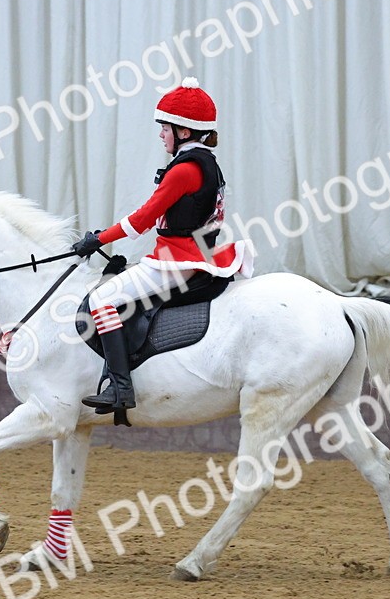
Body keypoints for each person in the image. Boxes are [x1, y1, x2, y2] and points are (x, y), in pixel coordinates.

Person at [71, 76, 253, 414]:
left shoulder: (184, 170)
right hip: (201, 253)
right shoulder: (205, 161)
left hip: (181, 262)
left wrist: (97, 239)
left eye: (165, 128)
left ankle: (121, 388)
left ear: (183, 131)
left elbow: (142, 219)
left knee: (101, 300)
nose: (161, 134)